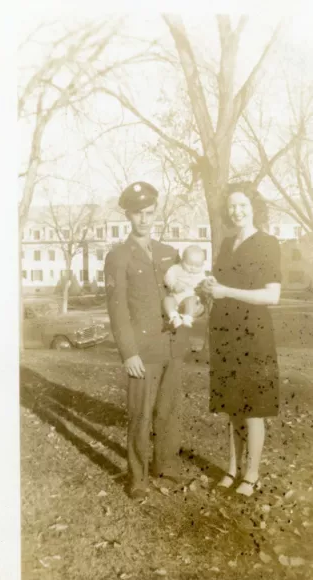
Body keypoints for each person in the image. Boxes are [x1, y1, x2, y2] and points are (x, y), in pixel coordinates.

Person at [104, 181, 190, 500]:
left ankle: (165, 467)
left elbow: (183, 293)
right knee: (140, 414)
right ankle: (137, 477)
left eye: (150, 212)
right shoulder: (118, 256)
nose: (144, 219)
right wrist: (128, 353)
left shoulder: (170, 254)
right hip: (142, 351)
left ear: (156, 212)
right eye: (138, 214)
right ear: (128, 215)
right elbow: (118, 310)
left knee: (168, 410)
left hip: (171, 345)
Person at [203, 181, 282, 498]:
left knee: (253, 409)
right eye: (232, 206)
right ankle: (232, 469)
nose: (237, 211)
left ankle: (251, 474)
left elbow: (272, 296)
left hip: (254, 334)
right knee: (232, 407)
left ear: (254, 208)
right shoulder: (226, 244)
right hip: (224, 333)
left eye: (243, 205)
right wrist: (208, 287)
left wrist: (225, 292)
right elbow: (218, 283)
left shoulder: (267, 243)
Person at [163, 245, 207, 328]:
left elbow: (204, 283)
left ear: (202, 265)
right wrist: (173, 285)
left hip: (190, 296)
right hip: (175, 296)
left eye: (197, 266)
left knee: (191, 300)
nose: (192, 268)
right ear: (182, 260)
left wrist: (205, 285)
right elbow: (168, 276)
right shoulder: (176, 268)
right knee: (167, 300)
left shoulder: (201, 274)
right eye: (189, 264)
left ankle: (188, 317)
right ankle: (174, 316)